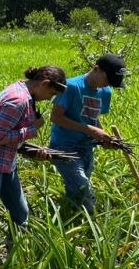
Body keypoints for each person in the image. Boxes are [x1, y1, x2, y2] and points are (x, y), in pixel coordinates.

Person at [0, 66, 67, 251]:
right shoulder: (18, 100)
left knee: (20, 212)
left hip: (4, 161)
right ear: (43, 83)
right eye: (51, 93)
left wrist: (32, 149)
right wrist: (32, 130)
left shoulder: (25, 92)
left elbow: (9, 135)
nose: (49, 99)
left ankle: (15, 251)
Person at [49, 53, 126, 213]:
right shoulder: (71, 86)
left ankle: (70, 215)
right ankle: (92, 223)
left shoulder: (105, 92)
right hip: (64, 146)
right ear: (96, 69)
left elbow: (93, 118)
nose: (108, 85)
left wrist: (104, 137)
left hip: (86, 146)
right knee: (83, 187)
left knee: (77, 189)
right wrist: (88, 129)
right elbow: (55, 117)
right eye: (107, 79)